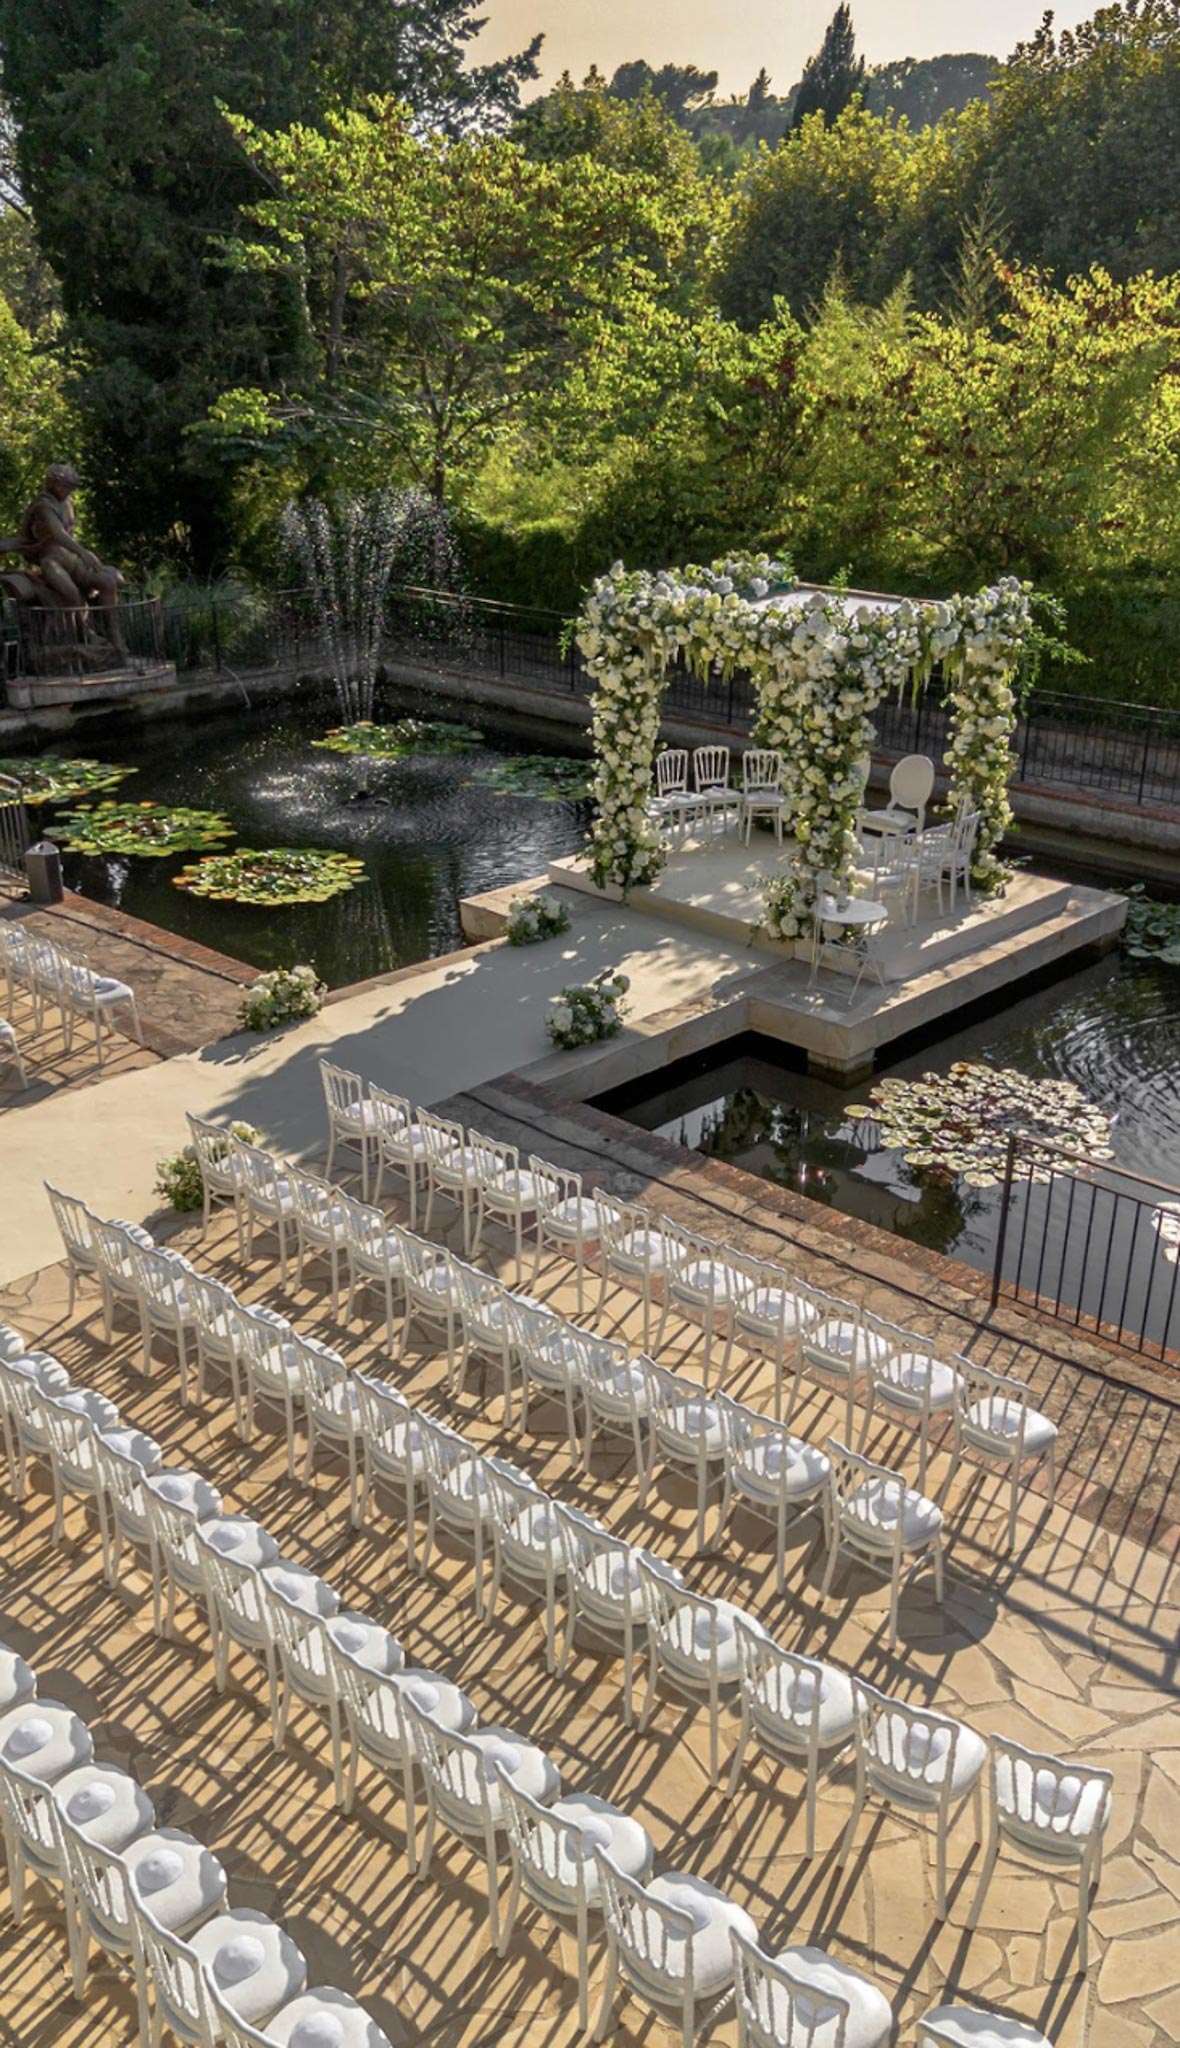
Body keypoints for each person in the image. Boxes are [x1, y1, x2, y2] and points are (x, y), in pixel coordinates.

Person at [16, 463, 126, 656]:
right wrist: (83, 552)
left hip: (70, 559)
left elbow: (70, 534)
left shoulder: (68, 503)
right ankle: (86, 633)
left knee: (107, 581)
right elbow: (57, 533)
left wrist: (82, 556)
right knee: (71, 593)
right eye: (66, 486)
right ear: (53, 483)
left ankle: (115, 635)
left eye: (71, 487)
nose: (69, 491)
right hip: (51, 560)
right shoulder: (43, 505)